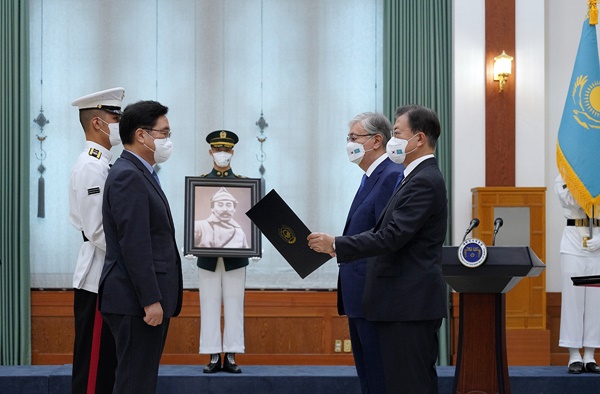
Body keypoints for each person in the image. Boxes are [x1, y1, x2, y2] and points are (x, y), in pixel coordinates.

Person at [308, 105, 448, 393]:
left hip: (407, 301)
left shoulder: (421, 179)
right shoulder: (412, 176)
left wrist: (336, 243)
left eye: (397, 133)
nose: (392, 140)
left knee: (406, 384)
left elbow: (391, 236)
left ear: (419, 139)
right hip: (397, 300)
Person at [98, 100, 183, 393]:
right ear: (142, 135)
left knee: (139, 381)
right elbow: (134, 244)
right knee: (135, 383)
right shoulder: (128, 175)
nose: (168, 140)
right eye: (164, 133)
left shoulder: (140, 171)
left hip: (137, 299)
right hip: (135, 302)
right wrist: (150, 299)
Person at [340, 112, 403, 393]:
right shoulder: (370, 176)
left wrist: (337, 244)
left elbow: (384, 238)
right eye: (349, 138)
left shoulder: (389, 175)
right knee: (367, 376)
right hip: (358, 293)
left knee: (379, 377)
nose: (349, 144)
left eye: (354, 138)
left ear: (377, 140)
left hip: (373, 295)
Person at [69, 87, 124, 394]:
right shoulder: (91, 165)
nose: (119, 123)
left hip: (108, 275)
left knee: (107, 367)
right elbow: (97, 230)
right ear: (97, 123)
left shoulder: (104, 162)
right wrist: (132, 255)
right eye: (115, 117)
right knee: (93, 372)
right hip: (98, 278)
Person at [195, 130, 248, 373]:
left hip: (236, 259)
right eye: (217, 149)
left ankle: (232, 354)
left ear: (233, 152)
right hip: (206, 257)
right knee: (209, 303)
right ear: (210, 152)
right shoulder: (200, 182)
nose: (222, 154)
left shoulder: (245, 184)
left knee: (235, 305)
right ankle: (214, 354)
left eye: (226, 150)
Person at [555, 174, 600, 374]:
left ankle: (590, 354)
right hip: (574, 242)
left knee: (594, 300)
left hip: (597, 244)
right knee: (573, 299)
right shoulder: (564, 175)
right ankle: (574, 355)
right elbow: (571, 200)